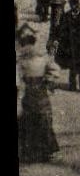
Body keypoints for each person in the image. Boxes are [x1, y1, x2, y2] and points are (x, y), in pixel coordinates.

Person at [17, 24, 59, 163]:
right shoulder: (35, 56)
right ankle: (42, 150)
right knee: (39, 118)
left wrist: (49, 80)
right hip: (36, 90)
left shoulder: (31, 57)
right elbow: (54, 70)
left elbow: (53, 70)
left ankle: (33, 151)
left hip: (32, 90)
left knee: (33, 118)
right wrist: (49, 81)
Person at [55, 0, 80, 93]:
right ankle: (72, 85)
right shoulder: (66, 16)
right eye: (72, 5)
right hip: (70, 46)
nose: (74, 7)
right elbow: (61, 30)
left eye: (76, 5)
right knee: (72, 65)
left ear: (78, 5)